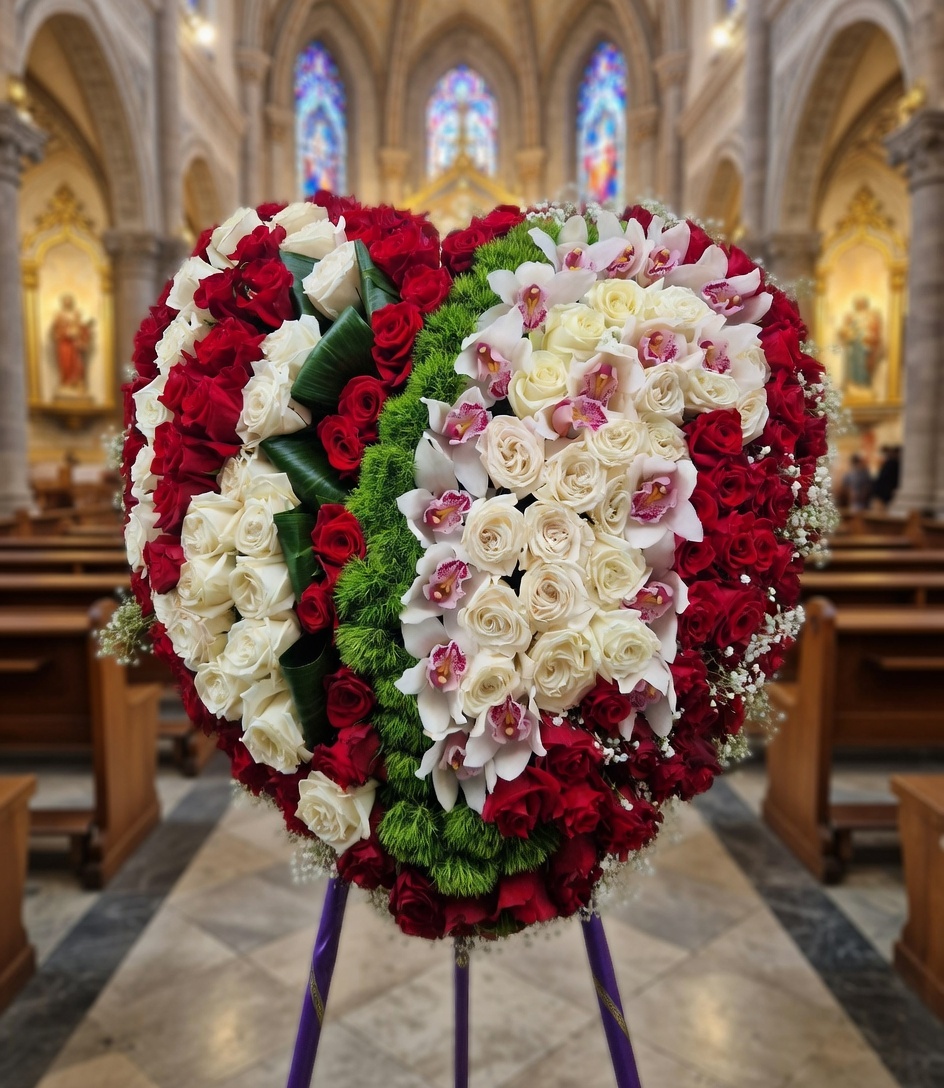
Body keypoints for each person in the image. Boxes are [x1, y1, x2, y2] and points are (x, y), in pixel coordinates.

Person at [51, 294, 94, 394]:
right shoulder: (59, 315)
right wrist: (66, 333)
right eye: (66, 300)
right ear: (63, 302)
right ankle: (66, 383)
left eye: (69, 300)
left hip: (75, 344)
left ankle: (77, 383)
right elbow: (55, 331)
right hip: (64, 344)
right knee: (66, 363)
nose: (67, 302)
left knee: (77, 363)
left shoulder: (76, 314)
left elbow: (82, 328)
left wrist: (82, 332)